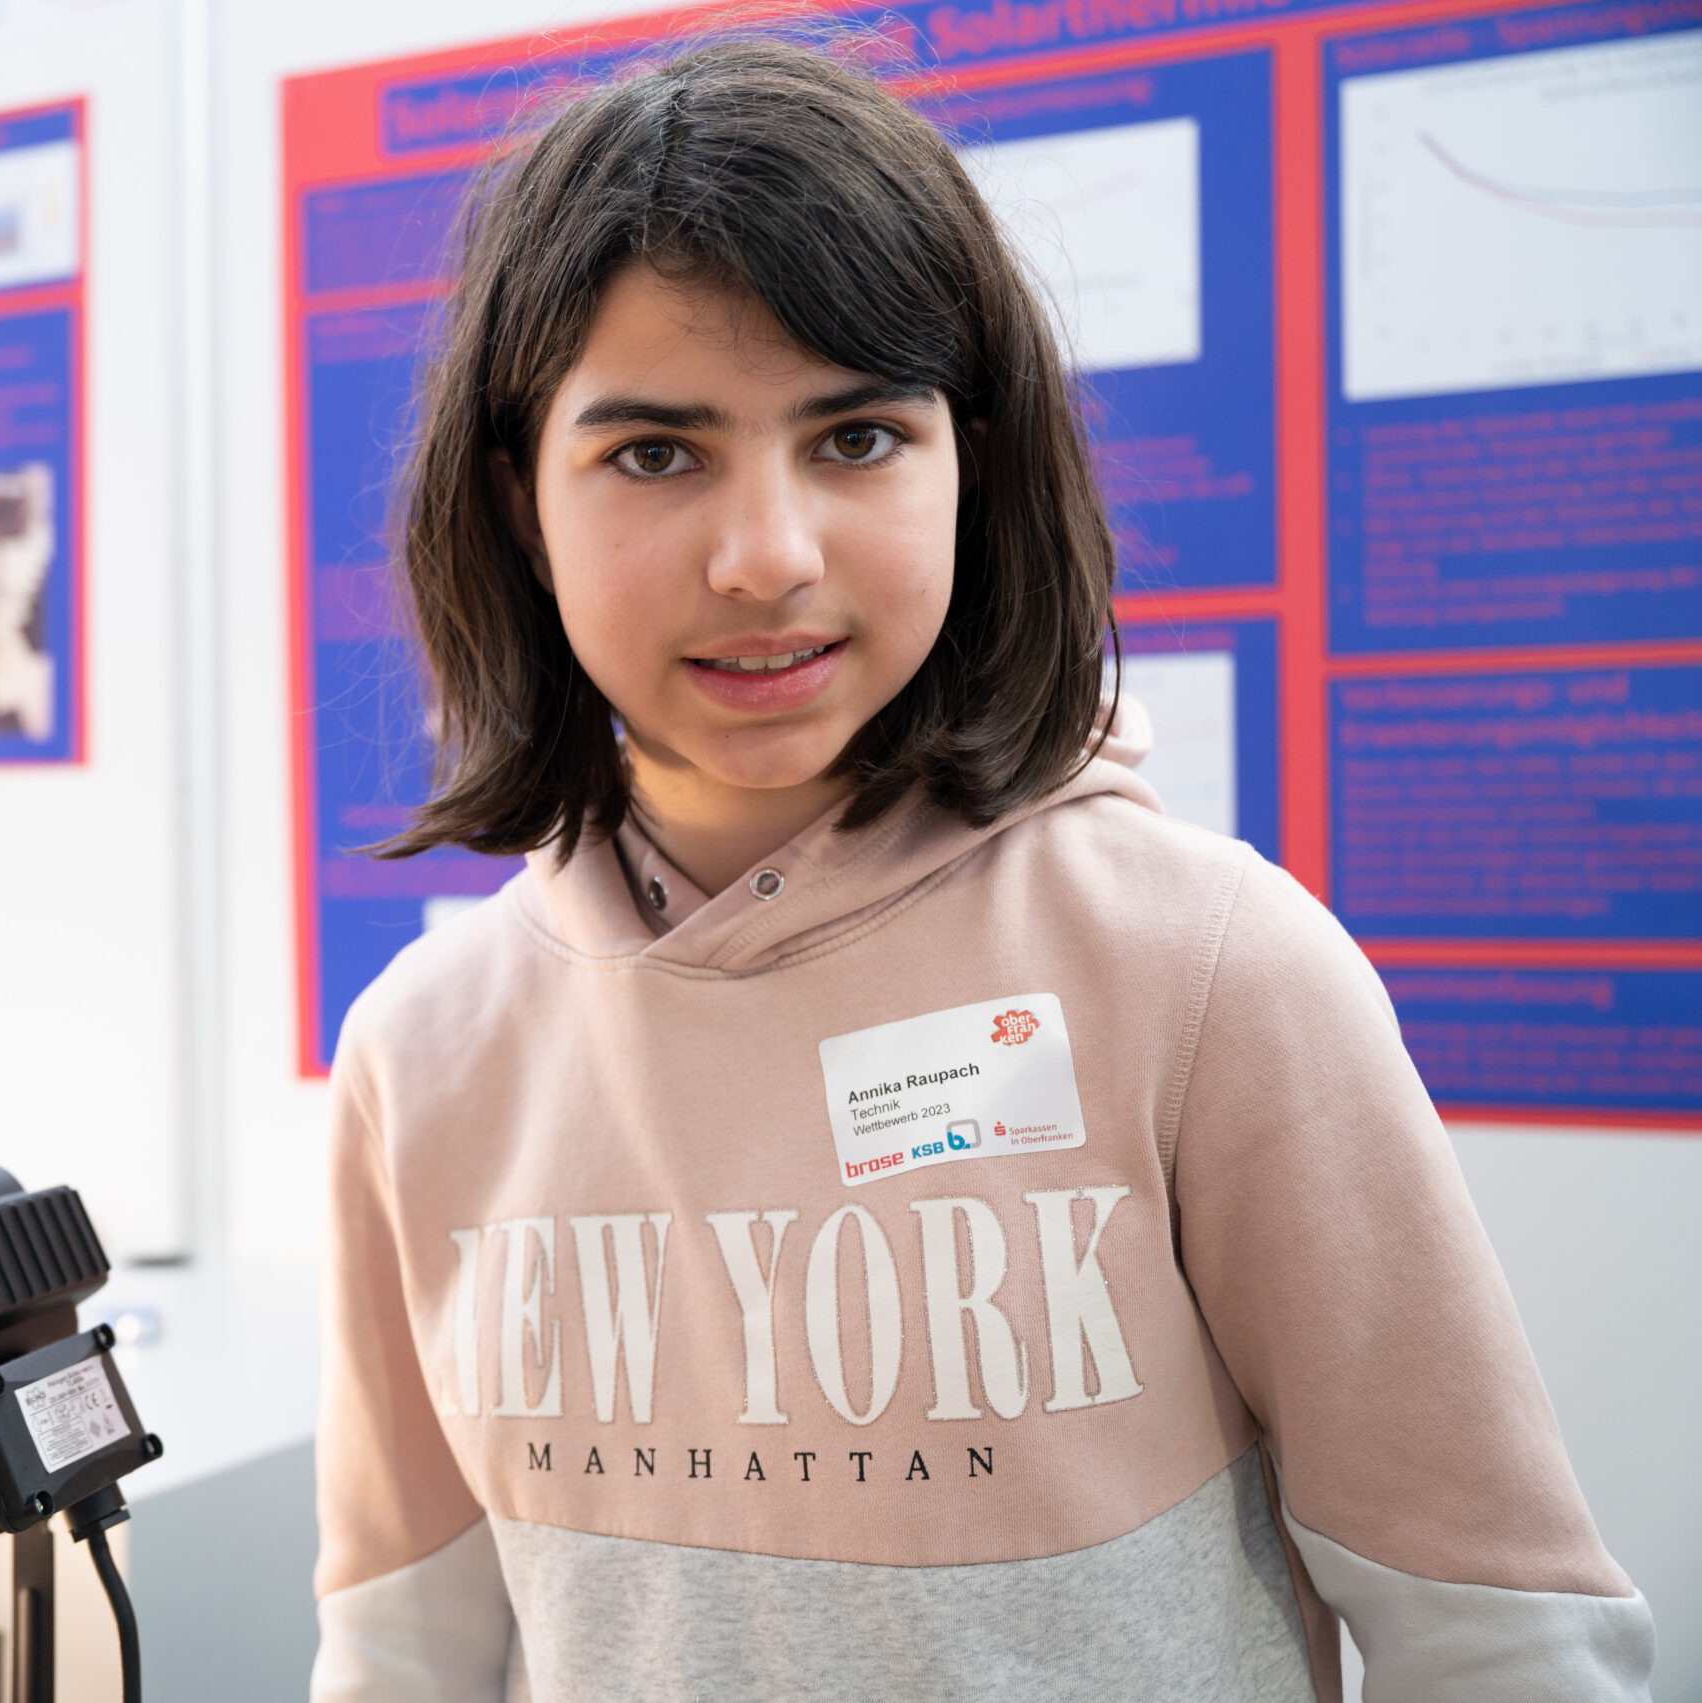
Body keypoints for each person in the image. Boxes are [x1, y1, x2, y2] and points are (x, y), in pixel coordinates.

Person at [309, 35, 1654, 1702]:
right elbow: (397, 1661)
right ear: (522, 504)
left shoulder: (1211, 967)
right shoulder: (421, 1055)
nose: (766, 557)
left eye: (857, 438)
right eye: (655, 453)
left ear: (971, 460)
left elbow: (1504, 1649)